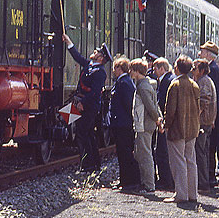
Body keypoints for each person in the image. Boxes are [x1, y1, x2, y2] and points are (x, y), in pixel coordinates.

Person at [62, 33, 110, 173]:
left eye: (97, 52)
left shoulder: (100, 72)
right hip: (80, 103)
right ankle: (93, 164)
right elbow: (77, 57)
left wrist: (83, 102)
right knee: (70, 121)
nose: (94, 52)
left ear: (101, 58)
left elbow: (95, 93)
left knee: (83, 133)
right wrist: (69, 41)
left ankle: (88, 165)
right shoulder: (90, 65)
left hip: (89, 107)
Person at [163, 55, 200, 204]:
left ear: (177, 68)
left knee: (178, 161)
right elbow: (198, 109)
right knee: (191, 161)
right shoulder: (194, 85)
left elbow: (170, 109)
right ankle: (193, 194)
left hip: (177, 129)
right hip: (192, 129)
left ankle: (181, 194)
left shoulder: (175, 85)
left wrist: (166, 125)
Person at [130, 58, 163, 194]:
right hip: (145, 124)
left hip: (144, 124)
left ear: (137, 72)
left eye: (132, 70)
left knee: (145, 155)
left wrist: (157, 120)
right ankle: (147, 183)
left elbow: (150, 106)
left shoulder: (142, 87)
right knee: (143, 153)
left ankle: (149, 186)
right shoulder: (146, 84)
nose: (130, 72)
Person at [110, 56, 140, 191]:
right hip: (120, 123)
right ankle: (124, 180)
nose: (113, 70)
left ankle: (130, 181)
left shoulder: (125, 83)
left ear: (119, 68)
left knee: (126, 153)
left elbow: (129, 104)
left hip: (124, 124)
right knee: (122, 153)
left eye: (115, 67)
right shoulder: (122, 82)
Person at [199, 42, 219, 188]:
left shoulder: (212, 70)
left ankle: (210, 176)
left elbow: (210, 98)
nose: (200, 53)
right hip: (213, 115)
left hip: (211, 116)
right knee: (210, 146)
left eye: (202, 51)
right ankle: (211, 176)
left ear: (209, 54)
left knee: (209, 147)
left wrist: (212, 118)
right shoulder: (215, 69)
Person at [193, 58, 217, 194]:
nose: (193, 71)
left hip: (203, 122)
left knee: (200, 152)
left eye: (195, 68)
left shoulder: (204, 81)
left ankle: (202, 183)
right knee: (204, 152)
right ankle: (204, 181)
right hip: (207, 121)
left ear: (202, 70)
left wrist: (195, 115)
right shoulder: (206, 81)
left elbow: (204, 100)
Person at [152, 57, 175, 191]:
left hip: (164, 122)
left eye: (155, 68)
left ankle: (166, 181)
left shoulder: (166, 81)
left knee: (163, 151)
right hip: (166, 121)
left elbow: (163, 102)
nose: (154, 71)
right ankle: (166, 180)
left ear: (162, 68)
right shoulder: (169, 79)